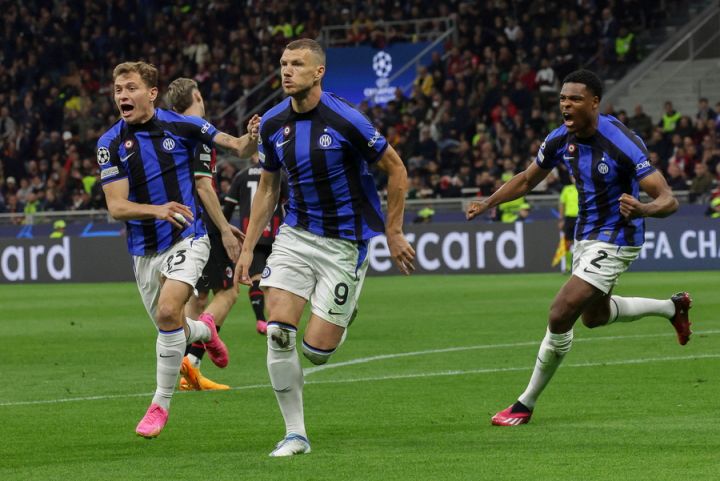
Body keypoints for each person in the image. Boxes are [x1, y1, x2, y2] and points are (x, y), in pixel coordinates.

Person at [466, 69, 693, 427]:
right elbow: (526, 180)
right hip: (585, 236)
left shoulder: (622, 143)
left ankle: (524, 404)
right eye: (562, 99)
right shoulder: (559, 139)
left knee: (560, 313)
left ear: (595, 102)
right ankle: (672, 307)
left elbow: (668, 199)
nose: (566, 105)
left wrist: (643, 208)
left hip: (618, 236)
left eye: (574, 99)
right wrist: (488, 203)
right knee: (594, 317)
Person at [234, 38, 416, 457]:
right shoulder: (273, 123)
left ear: (319, 72)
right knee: (278, 332)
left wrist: (393, 232)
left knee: (316, 352)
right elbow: (268, 187)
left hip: (344, 244)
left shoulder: (347, 119)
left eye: (297, 64)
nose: (287, 70)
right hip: (295, 234)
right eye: (283, 63)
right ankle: (295, 434)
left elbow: (396, 168)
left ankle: (344, 311)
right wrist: (247, 249)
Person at [98, 61, 255, 438]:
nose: (122, 95)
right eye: (118, 89)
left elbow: (237, 146)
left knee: (170, 311)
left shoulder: (184, 126)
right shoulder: (110, 143)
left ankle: (159, 405)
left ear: (152, 93)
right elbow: (116, 206)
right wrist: (157, 210)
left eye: (131, 88)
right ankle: (205, 331)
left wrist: (252, 136)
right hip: (143, 250)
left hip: (189, 237)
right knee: (171, 326)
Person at [165, 77, 259, 391]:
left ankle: (187, 369)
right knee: (229, 291)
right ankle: (197, 350)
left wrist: (251, 137)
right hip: (201, 225)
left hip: (180, 223)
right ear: (197, 96)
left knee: (198, 295)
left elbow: (242, 148)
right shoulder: (198, 133)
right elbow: (204, 187)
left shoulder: (171, 131)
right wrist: (223, 230)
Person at [223, 153, 288, 336]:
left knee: (257, 277)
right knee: (275, 281)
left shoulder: (241, 176)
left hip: (251, 234)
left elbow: (228, 208)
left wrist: (223, 231)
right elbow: (289, 204)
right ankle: (274, 320)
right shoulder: (281, 175)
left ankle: (261, 319)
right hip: (276, 233)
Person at [556, 177, 578, 273]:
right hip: (569, 218)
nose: (574, 178)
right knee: (567, 243)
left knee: (581, 243)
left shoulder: (584, 188)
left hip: (581, 218)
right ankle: (568, 266)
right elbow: (562, 204)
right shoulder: (567, 189)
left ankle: (579, 266)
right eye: (573, 176)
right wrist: (561, 219)